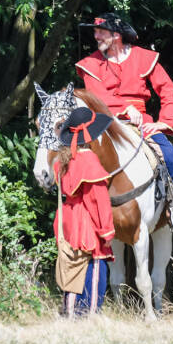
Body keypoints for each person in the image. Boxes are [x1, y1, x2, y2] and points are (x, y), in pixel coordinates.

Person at [75, 12, 173, 230]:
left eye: (101, 32)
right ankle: (78, 209)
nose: (96, 36)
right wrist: (125, 109)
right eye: (95, 31)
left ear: (116, 35)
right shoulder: (90, 64)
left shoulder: (143, 57)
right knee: (77, 155)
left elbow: (168, 91)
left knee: (169, 155)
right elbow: (95, 96)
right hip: (105, 121)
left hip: (142, 123)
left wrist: (162, 122)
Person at [53, 107, 116, 316]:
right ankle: (85, 316)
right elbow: (98, 200)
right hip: (86, 223)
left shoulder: (63, 159)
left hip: (67, 219)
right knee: (95, 266)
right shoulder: (88, 160)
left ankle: (69, 312)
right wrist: (106, 231)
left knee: (72, 265)